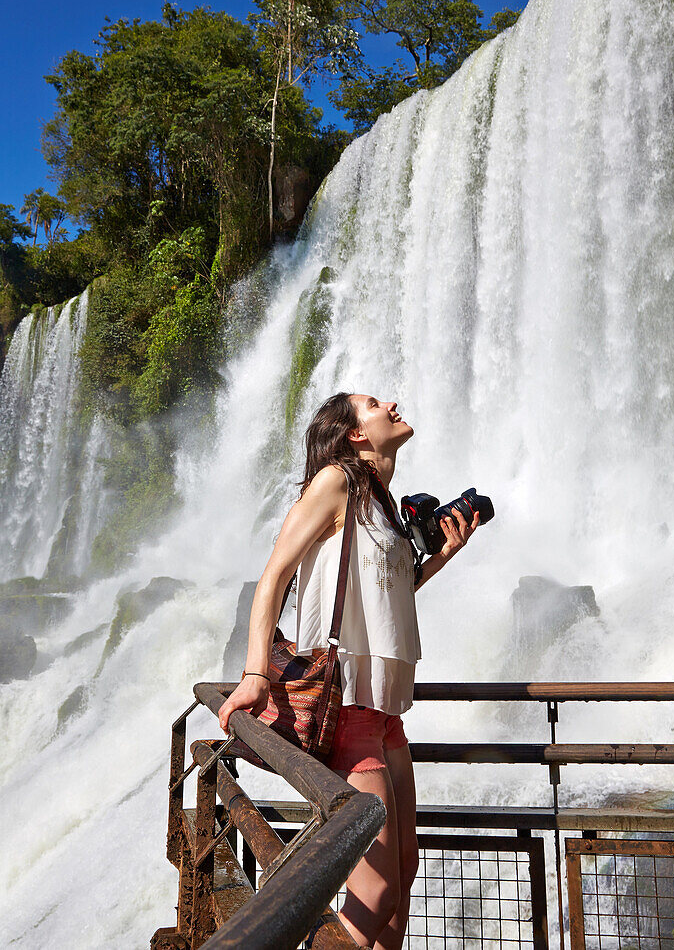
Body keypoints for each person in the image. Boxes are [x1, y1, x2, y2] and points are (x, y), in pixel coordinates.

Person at [218, 392, 479, 949]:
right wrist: (254, 674)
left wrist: (441, 556)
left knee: (401, 879)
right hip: (347, 708)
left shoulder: (380, 501)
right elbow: (274, 574)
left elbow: (383, 599)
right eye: (374, 403)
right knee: (377, 887)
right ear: (355, 435)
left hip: (386, 711)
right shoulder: (335, 481)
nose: (393, 404)